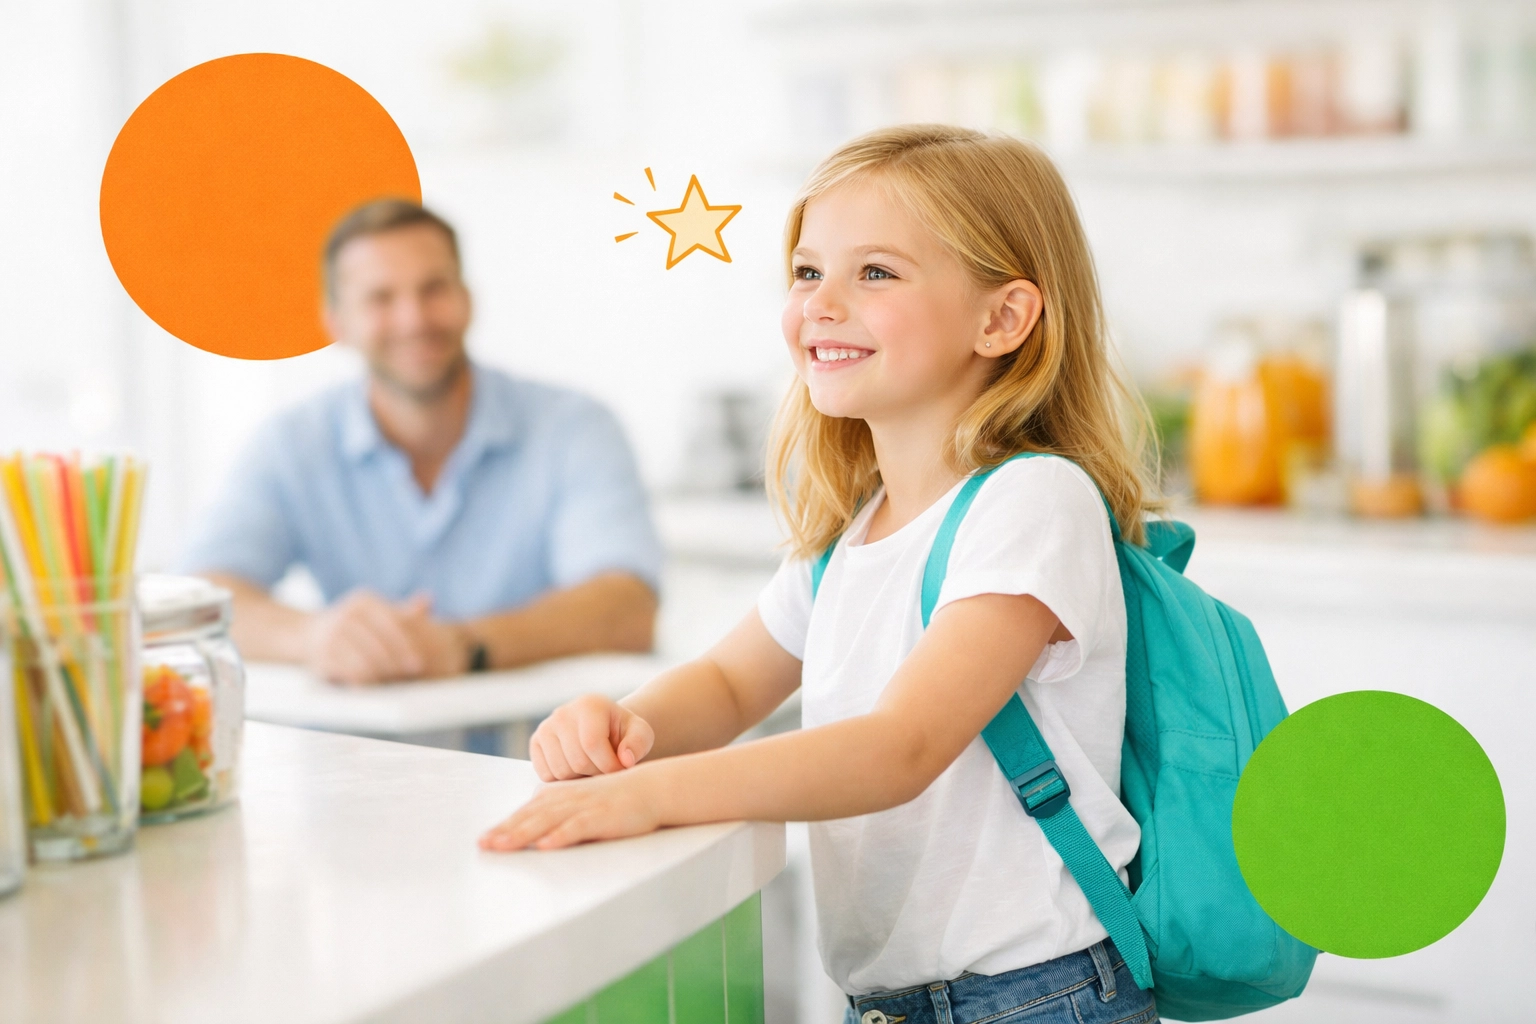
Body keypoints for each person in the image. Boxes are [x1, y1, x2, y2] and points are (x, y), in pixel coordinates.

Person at [479, 126, 1162, 1024]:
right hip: (892, 1002)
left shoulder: (1032, 503)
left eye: (874, 273)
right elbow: (728, 683)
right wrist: (627, 728)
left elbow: (899, 749)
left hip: (1035, 996)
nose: (821, 304)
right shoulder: (855, 527)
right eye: (807, 272)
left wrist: (647, 795)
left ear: (1002, 319)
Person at [183, 199, 663, 685]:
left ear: (467, 300)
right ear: (337, 324)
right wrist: (314, 637)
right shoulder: (290, 444)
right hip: (363, 757)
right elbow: (197, 598)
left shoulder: (575, 429)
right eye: (380, 298)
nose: (413, 319)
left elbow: (627, 608)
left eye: (434, 289)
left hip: (549, 757)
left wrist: (464, 646)